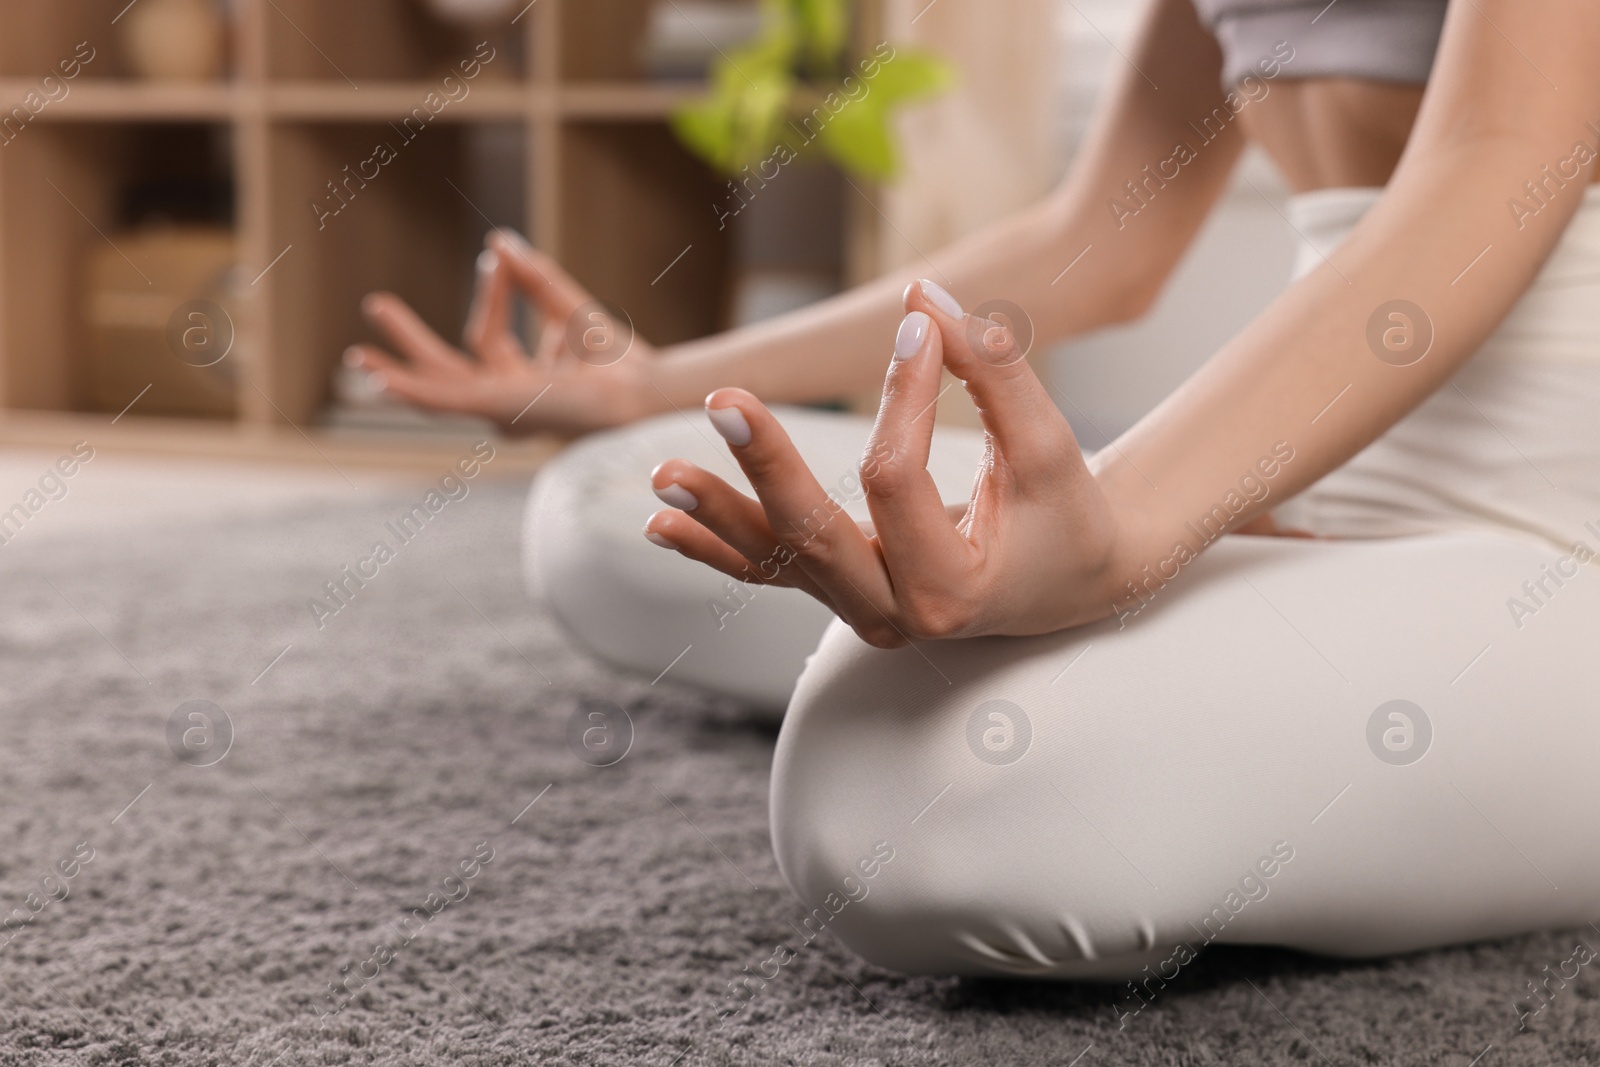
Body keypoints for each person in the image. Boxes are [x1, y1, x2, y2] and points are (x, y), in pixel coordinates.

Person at [345, 0, 1600, 983]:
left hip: (1557, 525)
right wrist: (655, 381)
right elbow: (1095, 239)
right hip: (1313, 455)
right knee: (614, 498)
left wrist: (1140, 527)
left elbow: (1499, 166)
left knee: (905, 802)